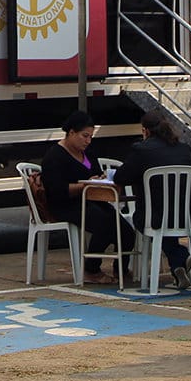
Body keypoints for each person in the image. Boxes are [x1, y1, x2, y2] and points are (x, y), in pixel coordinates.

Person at [117, 109, 191, 290]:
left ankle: (181, 258)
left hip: (157, 218)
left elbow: (121, 177)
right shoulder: (184, 149)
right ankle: (179, 264)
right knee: (162, 221)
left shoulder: (141, 150)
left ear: (145, 131)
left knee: (146, 220)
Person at [39, 110, 133, 285]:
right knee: (104, 224)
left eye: (90, 137)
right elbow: (57, 190)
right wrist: (84, 185)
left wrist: (101, 180)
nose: (87, 141)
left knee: (126, 230)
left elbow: (97, 173)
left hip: (93, 199)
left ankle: (121, 268)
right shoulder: (55, 156)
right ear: (71, 132)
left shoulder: (88, 153)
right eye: (84, 136)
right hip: (67, 205)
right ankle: (91, 269)